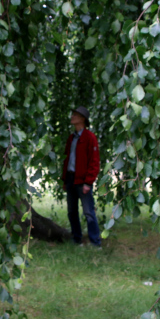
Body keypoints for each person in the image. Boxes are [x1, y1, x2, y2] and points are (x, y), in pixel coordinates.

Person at [61, 106, 102, 248]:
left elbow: (94, 162)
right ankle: (76, 239)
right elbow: (67, 160)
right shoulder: (71, 138)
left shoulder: (90, 138)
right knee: (72, 211)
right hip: (71, 179)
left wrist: (88, 182)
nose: (72, 117)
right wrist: (65, 179)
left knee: (88, 212)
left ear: (82, 119)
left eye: (75, 115)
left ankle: (95, 242)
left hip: (83, 181)